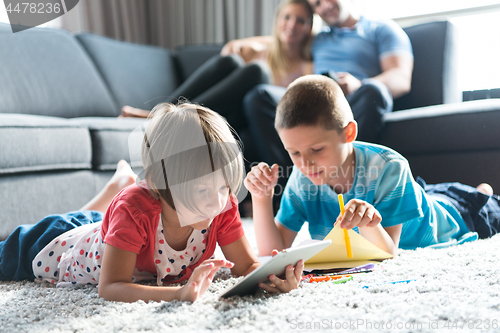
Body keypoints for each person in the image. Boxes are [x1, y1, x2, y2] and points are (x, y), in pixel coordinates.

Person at [0, 103, 304, 303]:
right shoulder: (135, 209)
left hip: (108, 231)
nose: (216, 203)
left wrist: (276, 279)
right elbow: (111, 288)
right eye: (202, 191)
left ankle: (115, 187)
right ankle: (118, 188)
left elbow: (245, 266)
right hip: (53, 240)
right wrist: (178, 295)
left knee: (101, 220)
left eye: (224, 187)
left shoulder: (221, 205)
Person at [244, 75, 500, 257]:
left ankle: (481, 194)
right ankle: (477, 190)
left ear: (349, 133)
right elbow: (272, 252)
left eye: (317, 149)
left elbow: (387, 252)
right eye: (294, 153)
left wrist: (369, 222)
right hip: (417, 195)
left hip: (455, 217)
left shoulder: (390, 167)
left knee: (481, 206)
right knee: (428, 193)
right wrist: (261, 199)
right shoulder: (303, 178)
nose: (305, 163)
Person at [243, 0, 414, 181]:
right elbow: (284, 35)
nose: (325, 6)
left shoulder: (381, 29)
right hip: (316, 102)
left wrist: (358, 84)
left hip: (357, 98)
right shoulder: (318, 38)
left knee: (374, 91)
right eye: (317, 4)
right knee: (259, 96)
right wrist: (240, 43)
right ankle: (290, 187)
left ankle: (348, 179)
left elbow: (401, 78)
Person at [221, 0, 314, 88]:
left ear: (309, 27)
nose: (292, 25)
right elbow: (228, 50)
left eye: (300, 21)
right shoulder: (257, 51)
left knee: (258, 72)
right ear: (277, 20)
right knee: (232, 61)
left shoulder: (308, 65)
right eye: (286, 17)